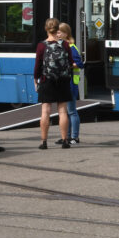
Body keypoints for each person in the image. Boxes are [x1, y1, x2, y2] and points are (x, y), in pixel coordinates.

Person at [34, 18, 76, 149]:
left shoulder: (42, 45)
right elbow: (70, 62)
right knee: (62, 111)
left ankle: (44, 142)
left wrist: (36, 79)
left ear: (46, 29)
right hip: (63, 80)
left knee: (45, 111)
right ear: (58, 29)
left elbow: (38, 65)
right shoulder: (65, 45)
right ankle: (65, 141)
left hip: (47, 80)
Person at [56, 23, 84, 145]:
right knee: (65, 112)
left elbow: (79, 64)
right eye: (57, 32)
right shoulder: (62, 46)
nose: (57, 34)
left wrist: (65, 65)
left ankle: (74, 137)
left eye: (59, 32)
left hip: (71, 84)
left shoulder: (72, 47)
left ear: (65, 33)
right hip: (64, 83)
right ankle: (65, 137)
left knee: (71, 111)